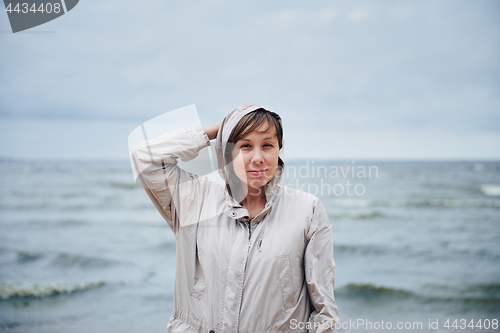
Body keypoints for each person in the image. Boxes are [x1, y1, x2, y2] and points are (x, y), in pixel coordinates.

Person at [131, 104, 339, 332]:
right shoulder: (195, 199)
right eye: (245, 146)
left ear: (279, 149)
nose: (258, 157)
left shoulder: (307, 210)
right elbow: (144, 157)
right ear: (226, 152)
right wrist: (218, 130)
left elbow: (324, 311)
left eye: (267, 145)